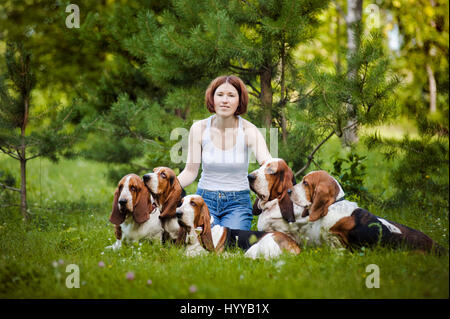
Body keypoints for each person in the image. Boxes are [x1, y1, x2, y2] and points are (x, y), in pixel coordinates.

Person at [177, 75, 272, 230]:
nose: (225, 100)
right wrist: (166, 188)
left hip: (238, 203)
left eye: (231, 95)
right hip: (204, 200)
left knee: (230, 245)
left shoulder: (249, 130)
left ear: (239, 100)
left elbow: (267, 164)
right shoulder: (199, 129)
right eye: (220, 95)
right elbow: (190, 172)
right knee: (205, 245)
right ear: (212, 98)